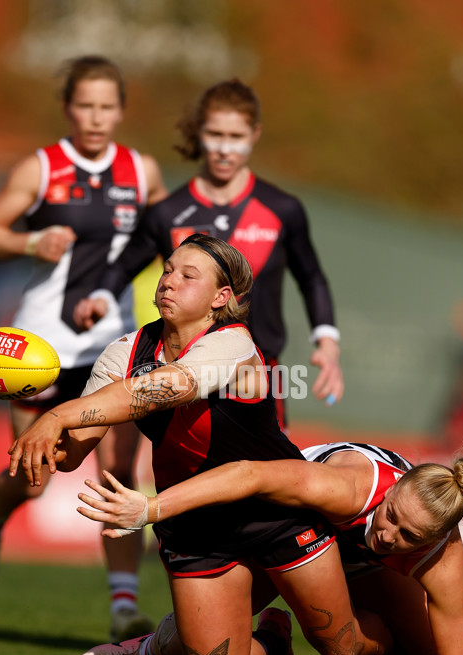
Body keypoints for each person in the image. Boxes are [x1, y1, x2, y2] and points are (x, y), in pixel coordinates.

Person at [7, 233, 394, 655]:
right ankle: (272, 642)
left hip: (276, 511)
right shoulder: (124, 351)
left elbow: (164, 388)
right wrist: (31, 407)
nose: (169, 281)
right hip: (194, 522)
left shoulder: (233, 342)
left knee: (342, 646)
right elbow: (72, 453)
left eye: (188, 276)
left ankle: (404, 647)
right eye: (168, 270)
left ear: (220, 298)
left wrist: (57, 414)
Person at [0, 55, 168, 642]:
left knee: (119, 472)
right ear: (68, 109)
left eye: (107, 106)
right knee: (32, 475)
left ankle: (123, 607)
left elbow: (162, 230)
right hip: (41, 347)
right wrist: (31, 240)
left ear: (121, 109)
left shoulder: (141, 170)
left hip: (114, 344)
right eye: (86, 105)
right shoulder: (43, 167)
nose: (96, 117)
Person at [72, 441, 463, 655]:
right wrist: (150, 508)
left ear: (434, 538)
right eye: (392, 514)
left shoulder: (441, 553)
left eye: (409, 536)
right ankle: (155, 647)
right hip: (281, 537)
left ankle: (383, 654)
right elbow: (248, 475)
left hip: (355, 564)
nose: (388, 534)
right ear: (394, 485)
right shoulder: (344, 488)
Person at [72, 78, 343, 427]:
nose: (224, 149)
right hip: (183, 372)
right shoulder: (167, 212)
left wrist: (327, 343)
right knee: (181, 470)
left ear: (255, 135)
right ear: (199, 133)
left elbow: (312, 278)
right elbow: (123, 266)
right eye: (215, 134)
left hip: (259, 371)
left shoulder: (282, 209)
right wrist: (100, 297)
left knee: (266, 474)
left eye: (236, 137)